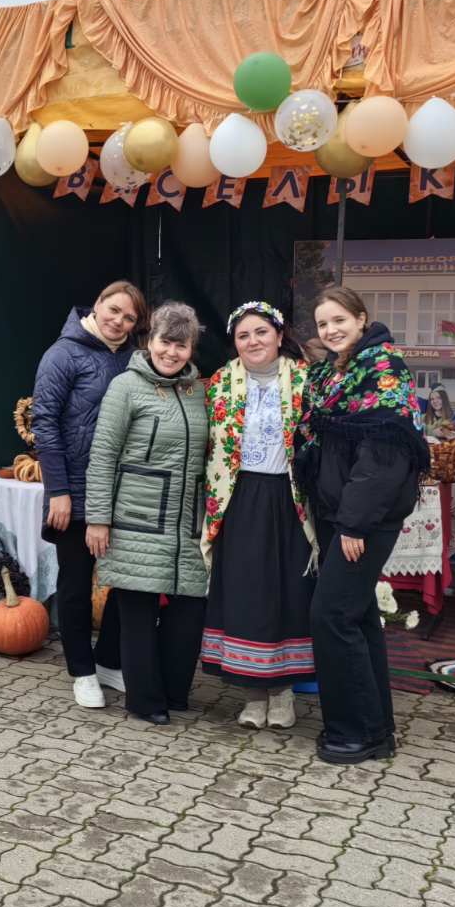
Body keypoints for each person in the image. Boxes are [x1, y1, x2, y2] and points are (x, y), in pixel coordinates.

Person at [298, 285, 428, 764]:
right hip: (337, 513)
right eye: (323, 324)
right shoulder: (331, 372)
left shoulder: (382, 369)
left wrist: (354, 525)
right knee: (357, 614)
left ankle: (356, 732)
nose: (331, 330)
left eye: (339, 320)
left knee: (331, 614)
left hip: (363, 519)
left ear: (361, 318)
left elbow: (383, 458)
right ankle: (375, 727)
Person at [84, 301, 210, 725]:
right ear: (149, 340)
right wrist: (98, 518)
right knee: (137, 612)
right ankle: (144, 700)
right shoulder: (126, 386)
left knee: (189, 609)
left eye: (181, 345)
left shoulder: (198, 391)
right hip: (135, 518)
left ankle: (174, 692)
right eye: (165, 342)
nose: (171, 352)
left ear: (191, 349)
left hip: (187, 524)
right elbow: (103, 455)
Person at [200, 302, 316, 731]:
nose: (253, 341)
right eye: (243, 335)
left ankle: (283, 693)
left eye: (261, 332)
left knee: (287, 592)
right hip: (239, 497)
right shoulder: (219, 384)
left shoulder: (306, 381)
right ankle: (252, 693)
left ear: (279, 336)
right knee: (246, 593)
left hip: (289, 499)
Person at [30, 281, 146, 709]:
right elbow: (45, 422)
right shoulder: (62, 354)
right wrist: (58, 491)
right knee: (77, 584)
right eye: (113, 310)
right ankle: (81, 671)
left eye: (129, 317)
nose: (119, 321)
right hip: (74, 491)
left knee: (125, 581)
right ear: (97, 305)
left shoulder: (134, 360)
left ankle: (109, 661)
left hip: (122, 491)